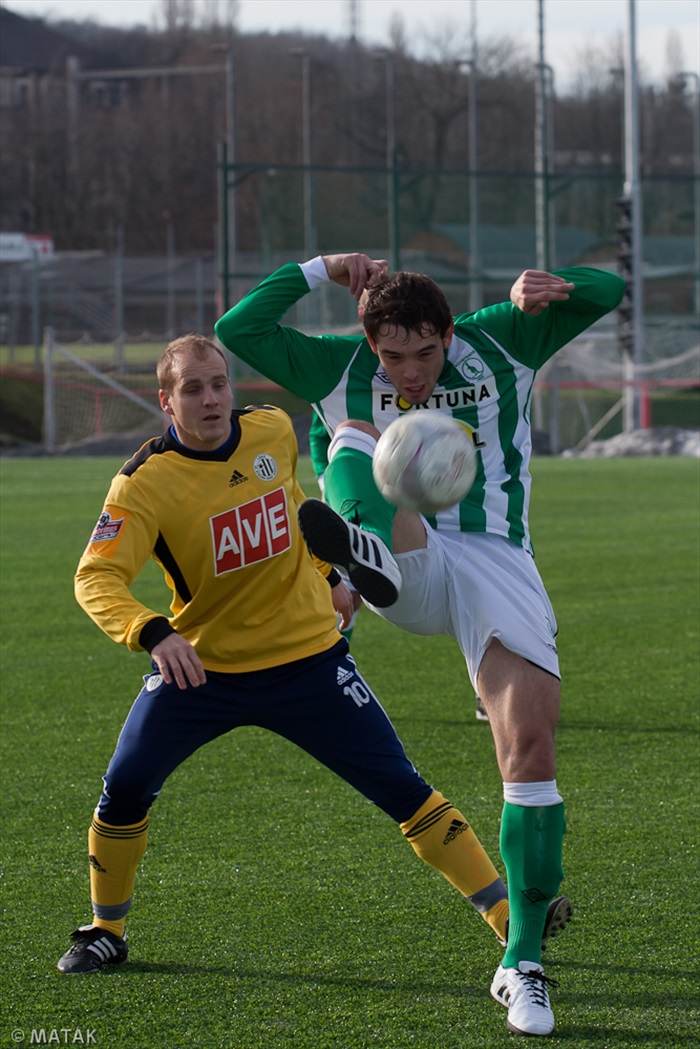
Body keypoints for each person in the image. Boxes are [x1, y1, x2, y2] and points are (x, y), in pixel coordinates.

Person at [57, 332, 570, 983]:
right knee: (124, 787)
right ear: (167, 400)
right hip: (202, 670)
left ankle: (509, 917)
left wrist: (329, 573)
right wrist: (153, 632)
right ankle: (106, 930)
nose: (211, 398)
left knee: (403, 789)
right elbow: (94, 579)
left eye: (218, 383)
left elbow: (296, 510)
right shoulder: (142, 484)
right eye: (193, 388)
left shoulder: (270, 430)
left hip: (309, 660)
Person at [215, 257, 624, 1036]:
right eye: (391, 357)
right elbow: (238, 330)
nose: (409, 372)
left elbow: (611, 291)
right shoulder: (341, 362)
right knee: (356, 431)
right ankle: (358, 554)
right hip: (408, 555)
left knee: (531, 754)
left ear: (447, 332)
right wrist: (320, 266)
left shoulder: (500, 340)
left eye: (425, 354)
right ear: (371, 342)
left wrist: (552, 284)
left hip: (497, 563)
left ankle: (524, 964)